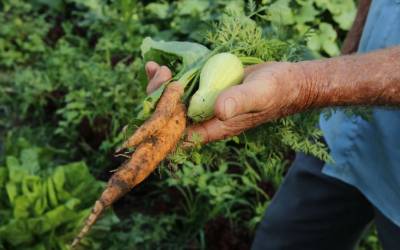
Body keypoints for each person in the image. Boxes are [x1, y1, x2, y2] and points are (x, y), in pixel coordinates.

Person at [144, 0, 400, 249]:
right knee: (284, 236)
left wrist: (306, 85)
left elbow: (304, 84)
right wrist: (350, 53)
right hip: (340, 133)